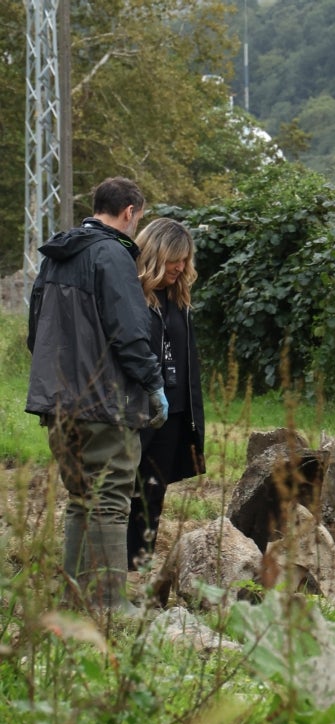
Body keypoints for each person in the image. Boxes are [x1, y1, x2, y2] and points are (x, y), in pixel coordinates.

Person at [26, 176, 168, 615]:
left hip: (57, 400)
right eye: (138, 217)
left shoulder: (55, 257)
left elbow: (35, 331)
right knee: (109, 499)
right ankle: (108, 604)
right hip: (104, 403)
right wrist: (153, 383)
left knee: (81, 499)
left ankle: (74, 599)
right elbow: (129, 332)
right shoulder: (113, 255)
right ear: (130, 212)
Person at [127, 218, 206, 569]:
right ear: (155, 253)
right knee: (124, 488)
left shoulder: (179, 298)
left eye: (185, 259)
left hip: (172, 412)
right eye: (175, 258)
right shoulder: (129, 293)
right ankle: (114, 566)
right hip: (135, 409)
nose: (180, 267)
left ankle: (139, 565)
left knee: (153, 492)